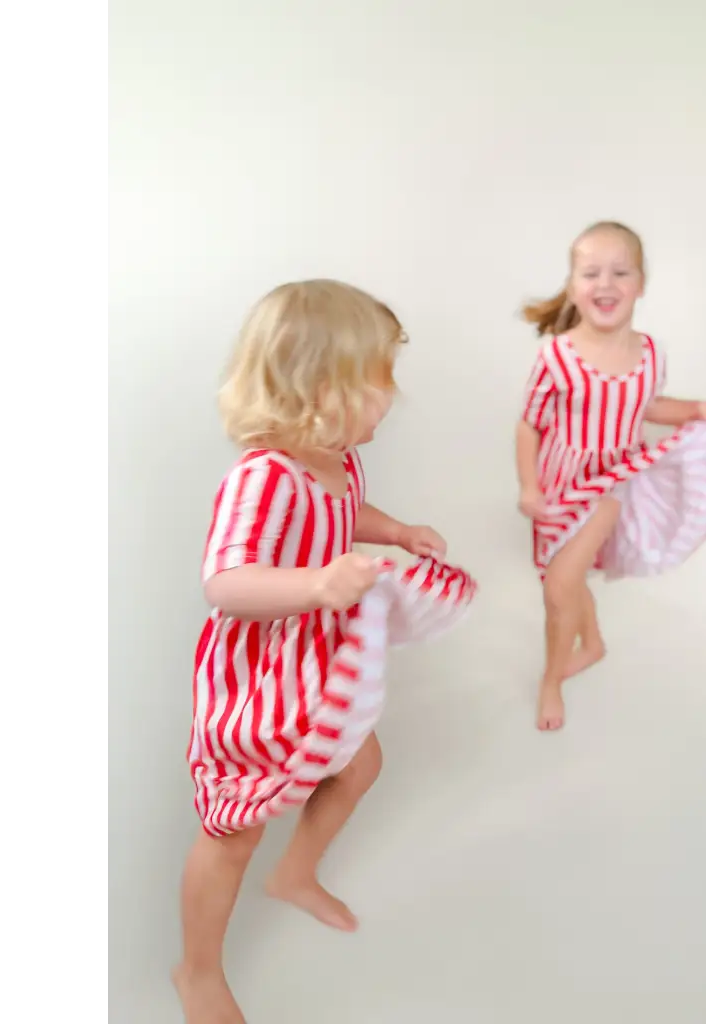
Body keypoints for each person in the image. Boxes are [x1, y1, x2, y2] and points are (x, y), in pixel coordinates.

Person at [174, 280, 477, 1024]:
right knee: (233, 829)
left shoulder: (335, 460)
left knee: (361, 763)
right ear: (323, 387)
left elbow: (342, 513)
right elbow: (225, 581)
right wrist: (314, 584)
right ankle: (197, 971)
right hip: (256, 679)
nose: (392, 398)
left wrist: (396, 530)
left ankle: (297, 872)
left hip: (311, 664)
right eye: (381, 382)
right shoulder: (262, 477)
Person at [515, 221, 706, 732]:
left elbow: (644, 405)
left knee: (560, 585)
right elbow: (529, 424)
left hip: (612, 483)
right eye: (591, 273)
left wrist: (694, 408)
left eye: (619, 272)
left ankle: (551, 681)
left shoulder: (650, 353)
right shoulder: (558, 355)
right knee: (564, 573)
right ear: (573, 285)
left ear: (641, 283)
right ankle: (594, 643)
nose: (605, 284)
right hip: (560, 480)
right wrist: (529, 487)